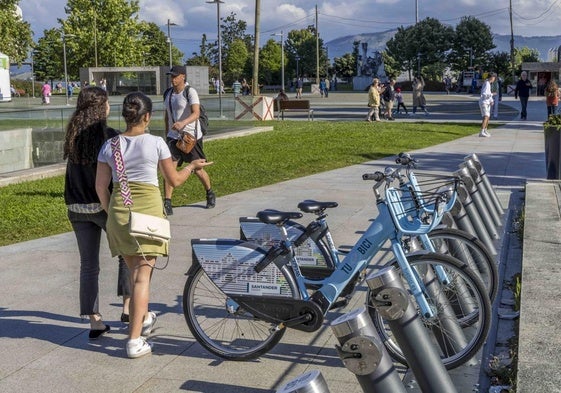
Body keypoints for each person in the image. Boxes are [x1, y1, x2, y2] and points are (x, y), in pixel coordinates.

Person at [95, 91, 212, 358]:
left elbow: (101, 187)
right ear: (147, 117)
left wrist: (112, 213)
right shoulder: (156, 143)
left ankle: (143, 318)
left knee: (134, 272)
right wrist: (192, 166)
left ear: (126, 116)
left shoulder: (109, 146)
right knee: (141, 278)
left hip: (119, 214)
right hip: (147, 214)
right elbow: (175, 180)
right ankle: (134, 341)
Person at [63, 86, 132, 340]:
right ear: (100, 108)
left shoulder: (72, 134)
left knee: (88, 265)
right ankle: (127, 308)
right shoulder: (110, 136)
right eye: (107, 103)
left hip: (76, 206)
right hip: (103, 205)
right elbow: (120, 175)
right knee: (126, 252)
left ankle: (94, 321)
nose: (109, 107)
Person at [162, 65, 216, 214]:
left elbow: (196, 113)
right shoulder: (168, 94)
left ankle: (210, 192)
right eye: (171, 76)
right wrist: (167, 134)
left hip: (190, 137)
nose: (172, 79)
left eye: (175, 76)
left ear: (182, 77)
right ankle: (167, 202)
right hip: (173, 137)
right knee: (169, 170)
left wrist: (182, 123)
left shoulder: (190, 92)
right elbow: (167, 115)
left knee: (198, 169)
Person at [478, 73, 496, 138]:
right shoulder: (486, 83)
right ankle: (482, 132)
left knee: (488, 117)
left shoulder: (488, 84)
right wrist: (492, 94)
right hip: (484, 102)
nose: (494, 79)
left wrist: (491, 100)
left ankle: (485, 130)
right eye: (494, 77)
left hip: (487, 102)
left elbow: (488, 93)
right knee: (486, 116)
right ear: (491, 77)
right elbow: (484, 94)